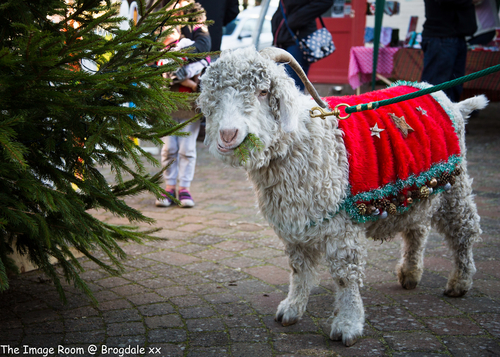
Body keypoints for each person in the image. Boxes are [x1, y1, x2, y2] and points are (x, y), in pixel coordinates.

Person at [156, 0, 211, 208]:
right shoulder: (160, 17)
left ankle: (184, 188)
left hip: (190, 101)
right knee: (169, 147)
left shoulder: (197, 18)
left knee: (187, 149)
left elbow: (204, 47)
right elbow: (157, 56)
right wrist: (185, 76)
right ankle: (169, 187)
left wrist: (176, 59)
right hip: (167, 99)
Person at [421, 0, 477, 102]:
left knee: (455, 84)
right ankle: (429, 115)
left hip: (455, 36)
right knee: (435, 86)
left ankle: (449, 115)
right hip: (441, 37)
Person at [271, 0, 333, 92]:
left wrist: (295, 19)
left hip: (298, 42)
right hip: (283, 42)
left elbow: (326, 2)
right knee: (279, 86)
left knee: (292, 88)